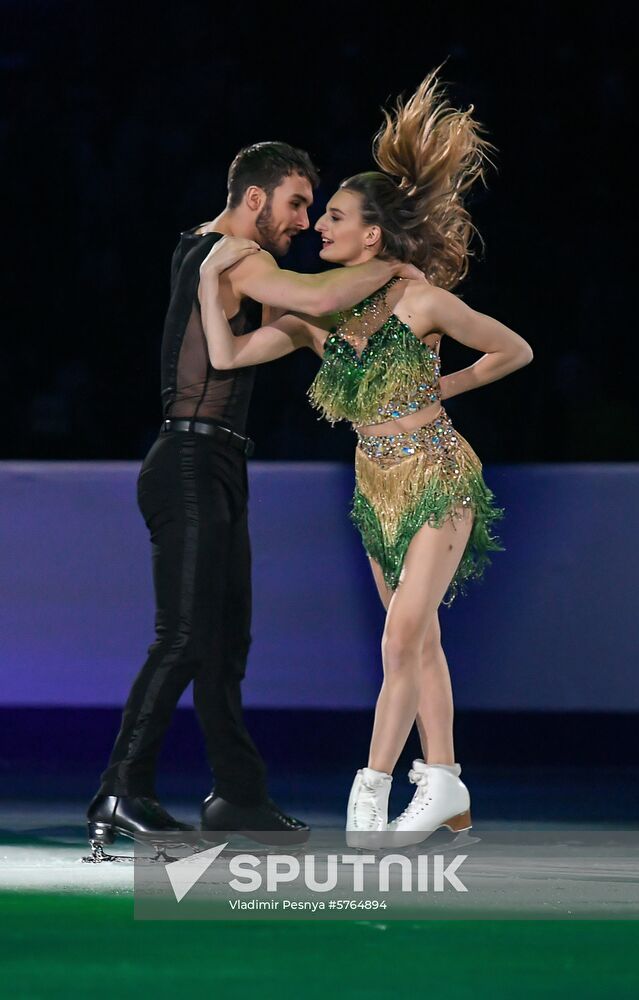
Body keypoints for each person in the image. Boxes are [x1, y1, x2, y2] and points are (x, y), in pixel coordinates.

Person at [197, 72, 534, 849]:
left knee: (399, 637)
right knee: (417, 639)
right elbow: (228, 350)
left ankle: (371, 791)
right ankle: (445, 781)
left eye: (335, 218)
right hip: (372, 485)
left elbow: (512, 349)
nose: (318, 226)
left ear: (372, 237)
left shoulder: (419, 302)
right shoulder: (324, 315)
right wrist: (216, 274)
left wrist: (440, 386)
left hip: (438, 476)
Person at [86, 141, 421, 857]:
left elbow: (315, 325)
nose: (304, 220)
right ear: (254, 199)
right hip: (187, 459)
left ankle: (236, 796)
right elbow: (319, 298)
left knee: (223, 643)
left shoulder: (219, 253)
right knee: (182, 635)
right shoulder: (235, 253)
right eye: (297, 203)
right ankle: (120, 788)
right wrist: (389, 263)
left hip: (215, 460)